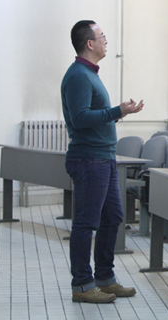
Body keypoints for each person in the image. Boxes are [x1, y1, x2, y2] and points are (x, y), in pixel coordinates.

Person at [61, 20, 142, 303]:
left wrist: (119, 113)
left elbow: (93, 115)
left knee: (113, 217)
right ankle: (83, 285)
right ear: (89, 43)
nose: (106, 41)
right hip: (89, 159)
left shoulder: (90, 74)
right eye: (102, 36)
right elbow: (80, 118)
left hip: (103, 157)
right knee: (86, 223)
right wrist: (116, 111)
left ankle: (105, 279)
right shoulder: (78, 76)